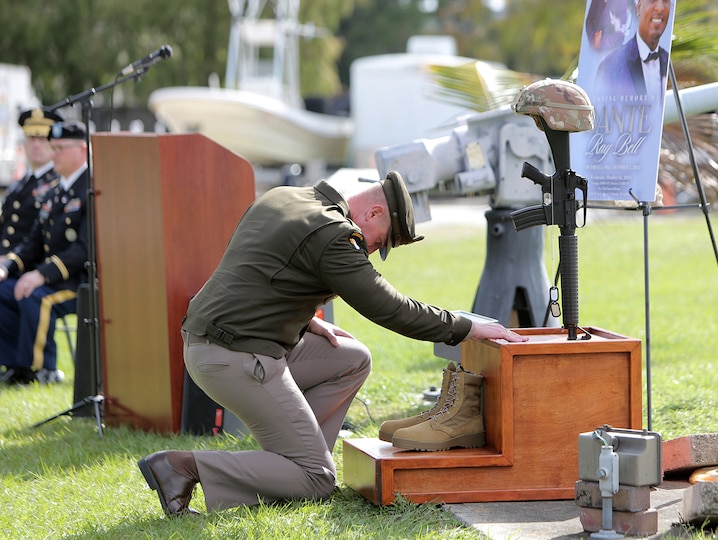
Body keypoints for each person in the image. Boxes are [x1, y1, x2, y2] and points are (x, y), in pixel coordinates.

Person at [137, 171, 528, 516]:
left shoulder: (286, 195)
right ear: (374, 214)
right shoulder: (334, 236)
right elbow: (388, 307)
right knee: (319, 479)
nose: (374, 251)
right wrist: (465, 327)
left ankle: (292, 467)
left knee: (351, 359)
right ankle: (184, 467)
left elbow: (259, 269)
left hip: (216, 343)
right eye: (381, 243)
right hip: (236, 356)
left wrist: (306, 320)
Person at [0, 120, 89, 384]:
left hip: (79, 281)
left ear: (82, 150)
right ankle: (15, 365)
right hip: (52, 277)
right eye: (54, 147)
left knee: (36, 297)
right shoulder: (55, 192)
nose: (54, 154)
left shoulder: (92, 190)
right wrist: (7, 267)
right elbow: (32, 244)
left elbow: (84, 249)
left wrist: (40, 275)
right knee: (5, 291)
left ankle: (43, 369)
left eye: (61, 148)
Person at [0, 108, 63, 255]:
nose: (36, 144)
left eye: (42, 139)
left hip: (26, 267)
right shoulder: (19, 184)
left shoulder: (58, 184)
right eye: (31, 138)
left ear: (53, 143)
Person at [595, 0, 671, 98]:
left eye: (665, 1)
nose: (660, 8)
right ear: (639, 7)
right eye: (652, 0)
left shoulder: (667, 61)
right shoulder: (610, 67)